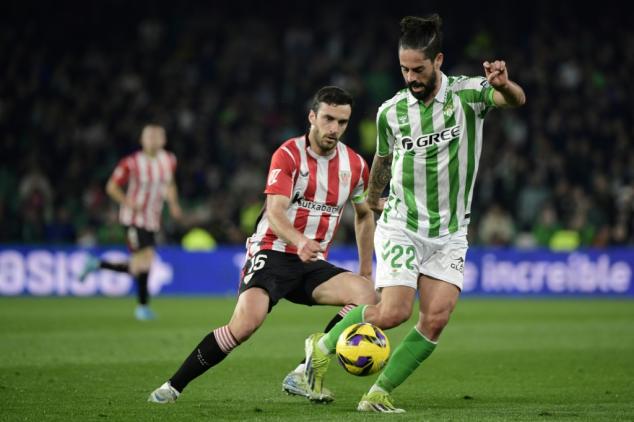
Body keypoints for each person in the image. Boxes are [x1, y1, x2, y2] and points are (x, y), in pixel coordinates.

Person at [301, 15, 526, 413]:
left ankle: (377, 394)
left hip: (451, 231)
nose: (410, 77)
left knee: (436, 319)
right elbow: (382, 159)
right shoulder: (391, 112)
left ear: (438, 60)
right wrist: (373, 199)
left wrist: (504, 85)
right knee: (393, 313)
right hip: (403, 225)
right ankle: (321, 346)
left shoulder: (467, 95)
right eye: (404, 69)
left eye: (418, 69)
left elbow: (515, 100)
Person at [147, 86, 378, 404]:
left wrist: (365, 270)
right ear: (312, 117)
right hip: (273, 252)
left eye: (342, 122)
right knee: (243, 326)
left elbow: (364, 215)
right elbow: (275, 211)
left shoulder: (355, 165)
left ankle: (303, 373)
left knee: (366, 295)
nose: (334, 128)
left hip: (310, 263)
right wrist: (299, 240)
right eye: (328, 119)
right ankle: (172, 387)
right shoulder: (288, 155)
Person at [79, 124, 183, 320]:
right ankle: (142, 308)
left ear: (164, 140)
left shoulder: (169, 160)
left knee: (139, 266)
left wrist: (174, 204)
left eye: (157, 136)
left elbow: (170, 183)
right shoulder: (131, 163)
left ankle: (97, 264)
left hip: (152, 219)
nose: (153, 140)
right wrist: (128, 202)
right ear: (142, 140)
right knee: (145, 260)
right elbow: (111, 186)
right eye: (149, 136)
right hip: (133, 218)